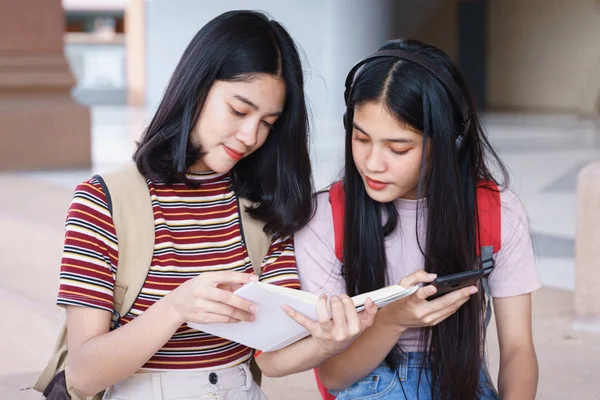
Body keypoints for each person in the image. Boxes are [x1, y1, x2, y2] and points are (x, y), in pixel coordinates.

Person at [57, 10, 376, 400]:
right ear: (197, 86)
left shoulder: (264, 204)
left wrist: (330, 340)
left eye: (267, 123)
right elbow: (82, 375)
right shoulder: (104, 199)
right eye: (239, 111)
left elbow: (273, 360)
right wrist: (176, 308)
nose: (250, 136)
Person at [295, 39, 541, 400]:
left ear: (449, 142)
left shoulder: (496, 212)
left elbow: (518, 349)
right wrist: (393, 320)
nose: (373, 163)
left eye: (398, 148)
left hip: (461, 383)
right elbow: (333, 376)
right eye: (361, 139)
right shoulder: (326, 219)